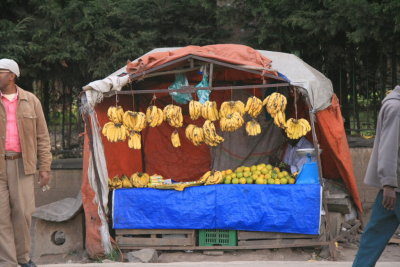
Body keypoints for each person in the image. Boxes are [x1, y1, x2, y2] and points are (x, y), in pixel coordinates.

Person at [0, 59, 52, 267]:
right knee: (1, 216)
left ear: (12, 76)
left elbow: (43, 136)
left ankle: (23, 258)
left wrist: (45, 166)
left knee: (23, 213)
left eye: (0, 72)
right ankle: (7, 261)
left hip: (22, 164)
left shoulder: (31, 101)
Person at [353, 85, 400, 267]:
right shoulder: (396, 108)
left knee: (374, 235)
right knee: (374, 235)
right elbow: (388, 148)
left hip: (392, 187)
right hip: (394, 186)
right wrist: (388, 184)